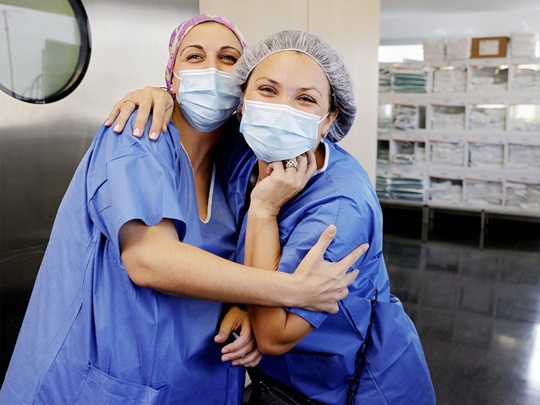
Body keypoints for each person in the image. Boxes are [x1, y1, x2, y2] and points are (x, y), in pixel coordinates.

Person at [0, 16, 366, 405]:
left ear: (243, 87)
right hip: (100, 383)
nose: (212, 70)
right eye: (194, 57)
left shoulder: (238, 162)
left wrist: (241, 305)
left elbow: (223, 263)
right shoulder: (138, 133)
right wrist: (292, 290)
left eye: (228, 58)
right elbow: (149, 259)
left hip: (196, 379)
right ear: (172, 76)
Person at [106, 29, 436, 405]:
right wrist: (157, 95)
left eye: (305, 98)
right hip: (284, 385)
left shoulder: (339, 207)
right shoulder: (250, 155)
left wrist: (264, 210)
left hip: (353, 388)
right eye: (267, 90)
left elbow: (273, 335)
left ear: (328, 120)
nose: (282, 109)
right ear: (242, 101)